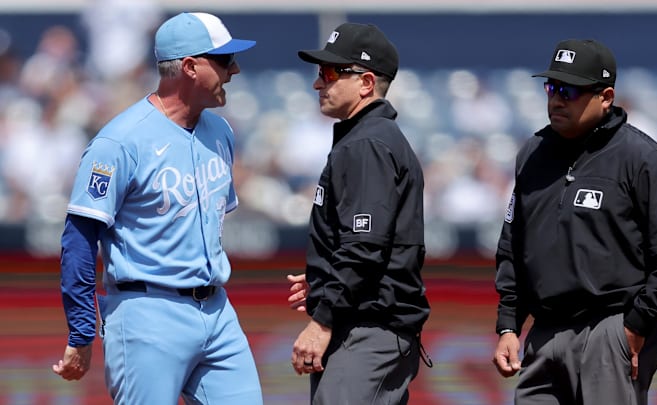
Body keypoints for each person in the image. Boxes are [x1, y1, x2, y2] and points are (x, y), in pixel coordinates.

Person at [51, 12, 263, 404]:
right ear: (189, 67)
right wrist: (81, 332)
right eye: (223, 60)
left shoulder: (221, 132)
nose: (234, 69)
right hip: (147, 311)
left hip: (218, 310)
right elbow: (79, 241)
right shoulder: (119, 142)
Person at [492, 38, 657, 405]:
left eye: (569, 90)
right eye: (551, 87)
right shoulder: (532, 155)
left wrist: (636, 326)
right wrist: (509, 324)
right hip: (543, 334)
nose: (556, 99)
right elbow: (513, 245)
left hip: (609, 328)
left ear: (605, 96)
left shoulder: (646, 160)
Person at [288, 22, 431, 404]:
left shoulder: (366, 145)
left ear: (366, 82)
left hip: (367, 331)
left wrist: (322, 320)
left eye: (331, 73)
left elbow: (365, 247)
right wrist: (323, 279)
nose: (319, 83)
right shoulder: (368, 140)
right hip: (372, 326)